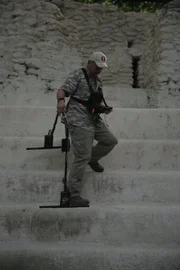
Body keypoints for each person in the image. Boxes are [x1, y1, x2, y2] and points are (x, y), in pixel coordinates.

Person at [56, 51, 118, 207]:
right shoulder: (78, 75)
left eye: (101, 67)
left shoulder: (98, 80)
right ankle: (73, 195)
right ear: (90, 63)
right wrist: (61, 101)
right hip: (78, 120)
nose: (99, 70)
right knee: (82, 155)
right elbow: (62, 90)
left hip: (93, 119)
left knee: (110, 141)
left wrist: (103, 108)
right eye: (97, 66)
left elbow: (93, 102)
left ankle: (93, 158)